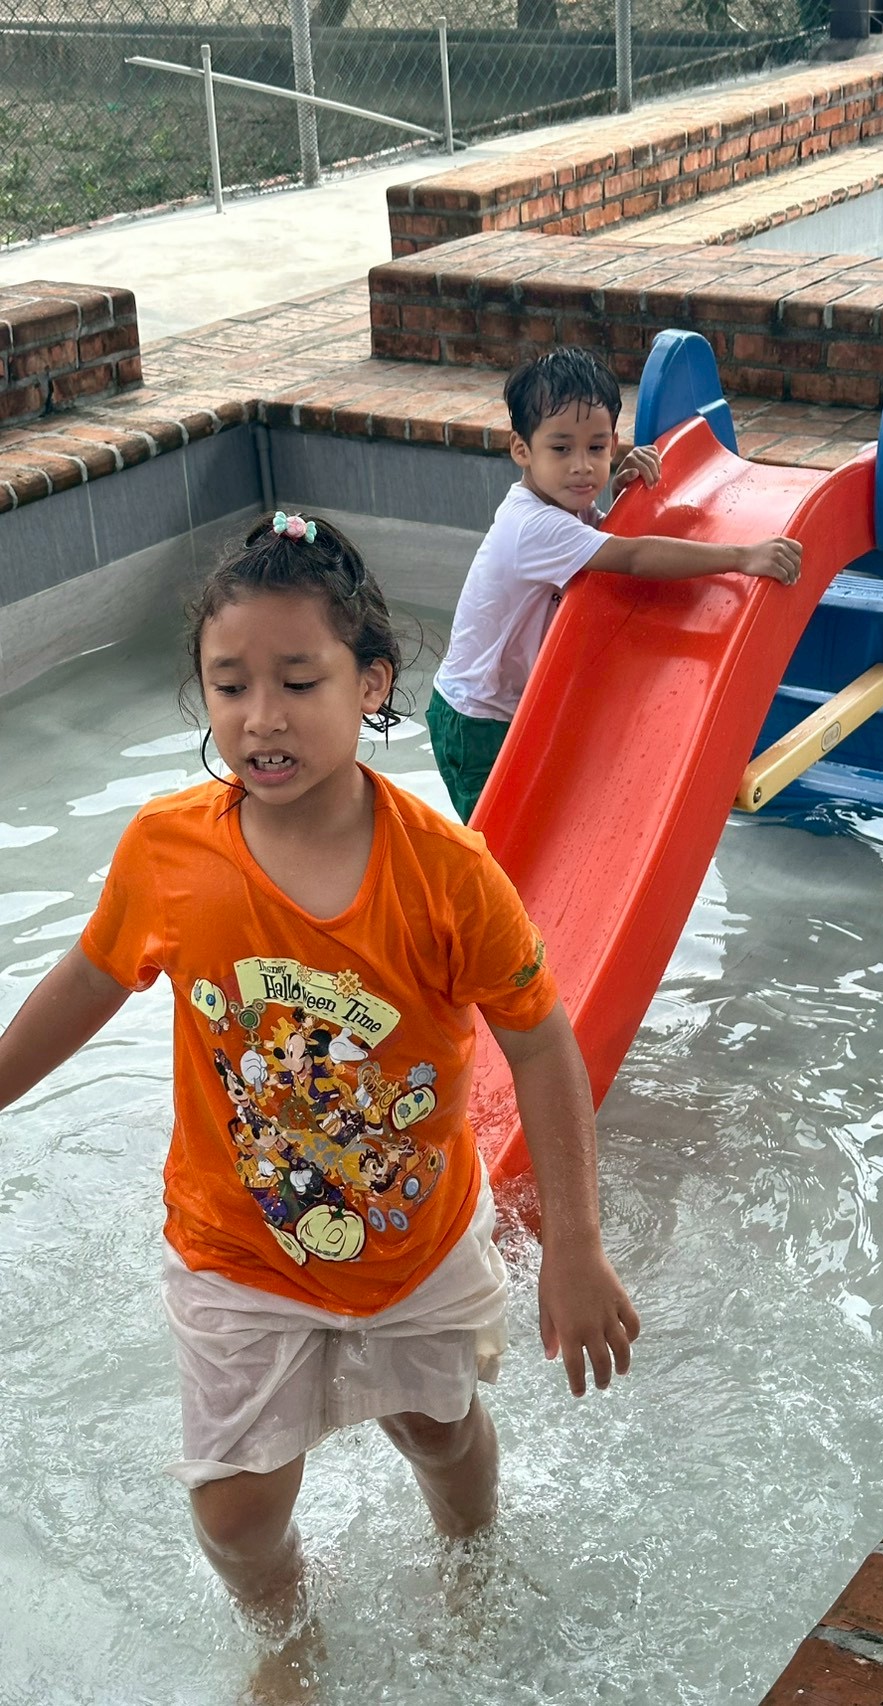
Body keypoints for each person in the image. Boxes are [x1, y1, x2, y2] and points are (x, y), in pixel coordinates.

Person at [0, 510, 639, 1639]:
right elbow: (89, 980)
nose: (262, 716)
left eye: (300, 680)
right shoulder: (170, 852)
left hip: (413, 1243)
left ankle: (470, 1549)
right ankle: (287, 1630)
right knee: (237, 1507)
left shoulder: (448, 875)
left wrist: (575, 1244)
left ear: (372, 683)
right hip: (237, 1247)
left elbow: (541, 1042)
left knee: (437, 1430)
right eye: (230, 685)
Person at [427, 346, 804, 822]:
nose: (582, 466)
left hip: (513, 707)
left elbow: (605, 539)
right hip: (475, 719)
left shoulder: (566, 509)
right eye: (561, 449)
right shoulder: (532, 526)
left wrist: (624, 494)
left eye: (597, 448)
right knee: (495, 841)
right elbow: (634, 555)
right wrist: (742, 557)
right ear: (521, 450)